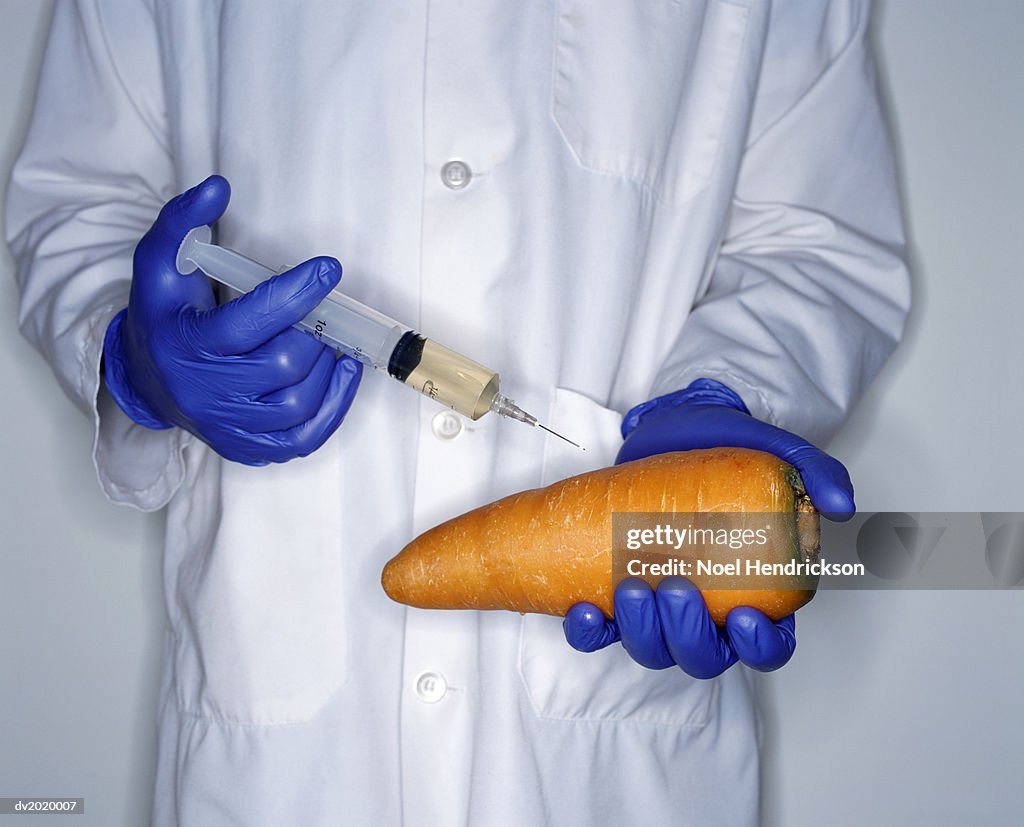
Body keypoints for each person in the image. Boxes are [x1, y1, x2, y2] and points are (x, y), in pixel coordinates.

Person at [6, 1, 910, 824]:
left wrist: (729, 390)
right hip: (279, 758)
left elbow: (817, 245)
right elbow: (77, 204)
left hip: (608, 771)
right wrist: (132, 356)